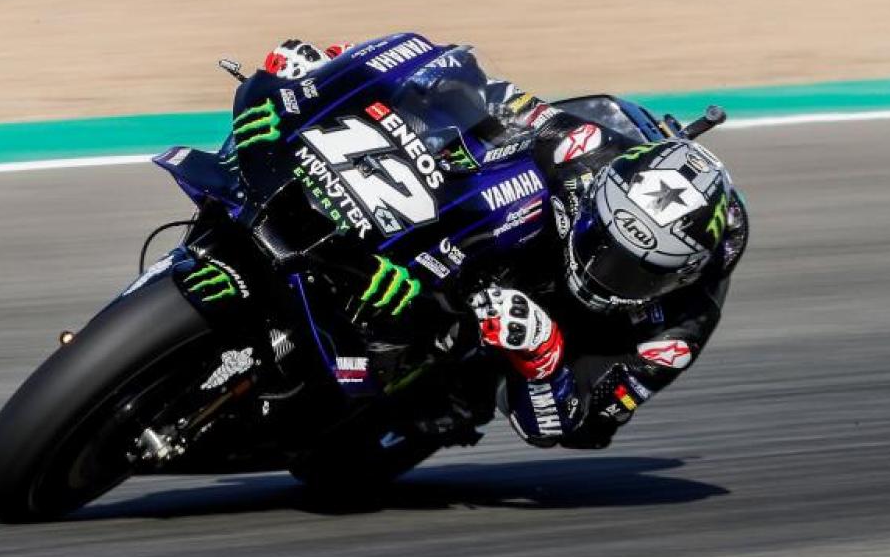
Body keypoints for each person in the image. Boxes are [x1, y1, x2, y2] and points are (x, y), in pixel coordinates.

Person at [261, 38, 749, 449]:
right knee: (457, 148)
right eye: (603, 243)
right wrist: (341, 76)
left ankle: (445, 387)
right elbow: (485, 95)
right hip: (516, 246)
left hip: (563, 337)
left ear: (677, 276)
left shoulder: (682, 326)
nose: (603, 272)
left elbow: (581, 428)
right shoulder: (581, 152)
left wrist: (543, 354)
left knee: (480, 393)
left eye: (633, 271)